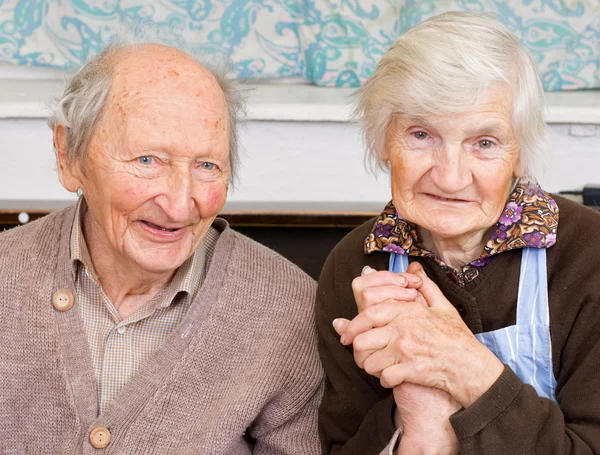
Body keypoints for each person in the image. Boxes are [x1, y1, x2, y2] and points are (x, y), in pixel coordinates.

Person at [0, 40, 323, 454]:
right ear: (69, 155)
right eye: (147, 160)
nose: (177, 204)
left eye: (207, 166)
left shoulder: (287, 312)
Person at [316, 11, 600, 455]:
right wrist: (417, 410)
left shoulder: (590, 254)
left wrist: (465, 368)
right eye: (422, 134)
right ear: (382, 141)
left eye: (484, 142)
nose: (449, 178)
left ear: (519, 152)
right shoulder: (355, 263)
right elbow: (342, 446)